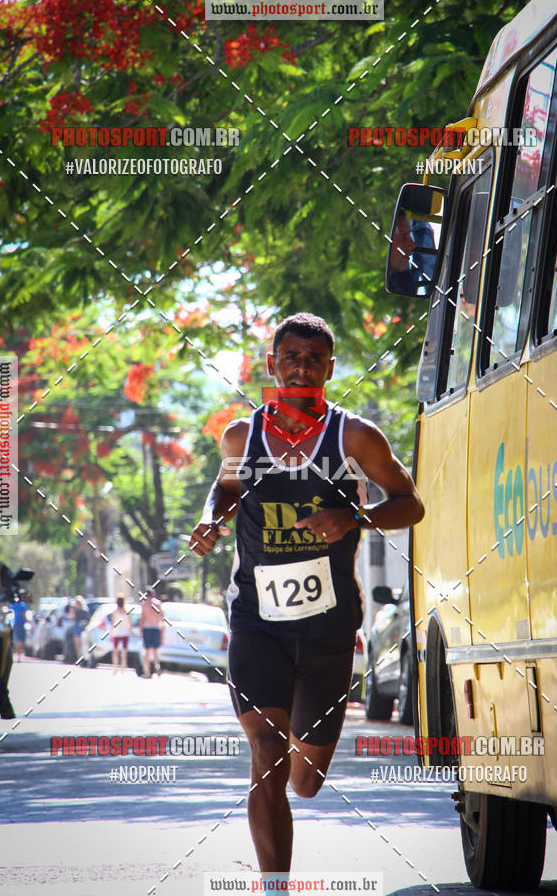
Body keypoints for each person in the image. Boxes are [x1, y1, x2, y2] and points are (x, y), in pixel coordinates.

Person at [189, 312, 425, 876]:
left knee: (307, 780)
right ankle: (276, 887)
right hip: (256, 620)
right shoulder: (241, 436)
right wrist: (210, 521)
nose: (301, 366)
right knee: (267, 759)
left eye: (313, 359)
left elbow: (410, 503)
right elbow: (222, 491)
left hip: (328, 625)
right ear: (272, 365)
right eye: (290, 357)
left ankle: (304, 750)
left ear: (330, 368)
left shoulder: (354, 436)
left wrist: (355, 517)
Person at [139, 587, 164, 677]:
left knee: (146, 651)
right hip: (156, 628)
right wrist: (162, 634)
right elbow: (162, 618)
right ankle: (157, 666)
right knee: (155, 651)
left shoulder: (144, 604)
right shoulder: (158, 604)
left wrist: (140, 631)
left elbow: (142, 619)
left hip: (147, 628)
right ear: (153, 594)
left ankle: (147, 672)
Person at [110, 594, 131, 675]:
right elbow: (129, 623)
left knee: (115, 651)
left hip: (117, 632)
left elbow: (113, 623)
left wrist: (112, 633)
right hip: (125, 632)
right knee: (124, 652)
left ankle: (115, 667)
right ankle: (123, 668)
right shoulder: (127, 611)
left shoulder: (115, 612)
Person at [12, 590, 30, 662]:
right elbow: (24, 615)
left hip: (15, 624)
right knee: (21, 641)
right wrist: (28, 621)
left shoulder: (14, 605)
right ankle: (18, 656)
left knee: (17, 640)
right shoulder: (23, 605)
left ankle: (17, 656)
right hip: (21, 625)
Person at [72, 595, 90, 663]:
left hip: (79, 629)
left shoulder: (76, 611)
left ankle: (80, 659)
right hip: (83, 628)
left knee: (79, 646)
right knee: (82, 645)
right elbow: (88, 619)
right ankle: (82, 659)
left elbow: (71, 617)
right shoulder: (86, 610)